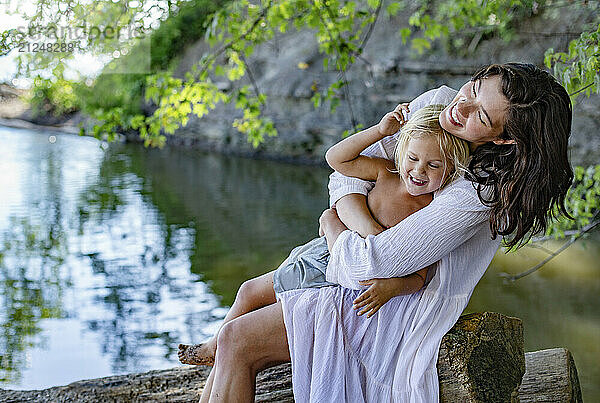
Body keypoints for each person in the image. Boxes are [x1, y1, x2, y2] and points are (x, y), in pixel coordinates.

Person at [196, 63, 573, 402]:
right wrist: (358, 225)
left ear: (503, 139)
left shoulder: (481, 189)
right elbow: (346, 172)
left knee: (237, 339)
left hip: (389, 301)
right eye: (473, 88)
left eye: (482, 115)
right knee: (240, 319)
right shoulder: (438, 107)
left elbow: (371, 265)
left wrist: (334, 226)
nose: (462, 107)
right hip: (347, 263)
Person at [178, 103, 470, 365]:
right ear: (402, 150)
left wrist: (391, 288)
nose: (419, 171)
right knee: (248, 291)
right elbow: (336, 158)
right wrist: (380, 131)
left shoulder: (432, 213)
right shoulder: (386, 172)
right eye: (413, 158)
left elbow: (420, 276)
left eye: (434, 165)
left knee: (261, 315)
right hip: (321, 251)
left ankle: (225, 347)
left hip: (336, 278)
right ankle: (214, 344)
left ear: (451, 168)